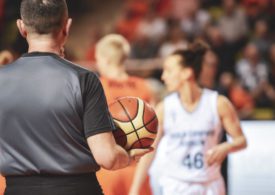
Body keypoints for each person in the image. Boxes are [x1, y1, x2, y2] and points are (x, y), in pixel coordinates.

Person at [0, 1, 151, 195]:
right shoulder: (84, 80)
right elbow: (107, 157)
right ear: (67, 26)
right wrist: (128, 157)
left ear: (21, 27)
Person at [129, 41, 247, 195]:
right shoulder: (164, 108)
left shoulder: (218, 103)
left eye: (169, 71)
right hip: (176, 185)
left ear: (187, 73)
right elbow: (150, 151)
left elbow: (241, 141)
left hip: (210, 185)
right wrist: (135, 189)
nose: (164, 77)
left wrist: (226, 147)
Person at [95, 34, 157, 195]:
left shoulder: (96, 88)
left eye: (98, 59)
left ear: (106, 59)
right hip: (137, 171)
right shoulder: (145, 87)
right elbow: (155, 139)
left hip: (107, 171)